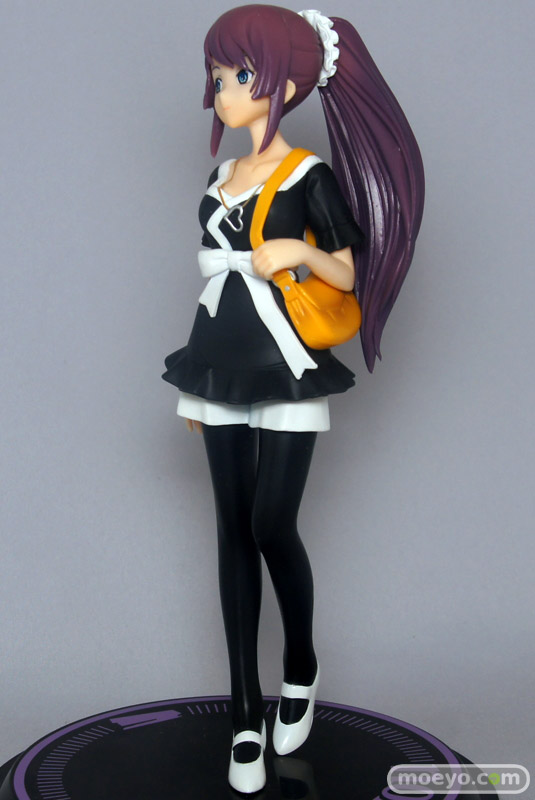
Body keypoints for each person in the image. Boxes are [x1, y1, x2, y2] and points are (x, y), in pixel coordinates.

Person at [162, 5, 424, 793]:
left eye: (239, 74)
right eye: (218, 74)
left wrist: (291, 249)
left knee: (270, 522)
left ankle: (300, 665)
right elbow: (213, 273)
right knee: (230, 531)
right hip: (217, 361)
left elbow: (348, 271)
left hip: (286, 364)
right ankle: (245, 712)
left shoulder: (308, 176)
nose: (223, 89)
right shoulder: (220, 177)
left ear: (283, 85)